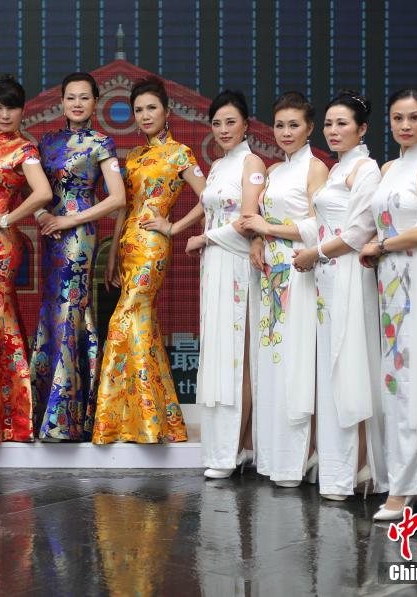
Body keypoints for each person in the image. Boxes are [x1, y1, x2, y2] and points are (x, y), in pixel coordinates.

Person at [93, 76, 206, 444]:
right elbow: (124, 208)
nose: (144, 115)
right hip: (128, 246)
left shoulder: (180, 153)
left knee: (123, 320)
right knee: (144, 326)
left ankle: (135, 422)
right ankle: (157, 420)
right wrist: (112, 254)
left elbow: (209, 198)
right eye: (138, 110)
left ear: (167, 111)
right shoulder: (134, 157)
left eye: (151, 108)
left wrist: (173, 227)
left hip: (153, 247)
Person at [291, 90, 387, 500]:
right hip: (326, 277)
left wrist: (315, 252)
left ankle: (357, 467)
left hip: (350, 273)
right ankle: (336, 470)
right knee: (330, 370)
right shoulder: (334, 171)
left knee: (351, 365)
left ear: (362, 129)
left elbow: (359, 232)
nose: (333, 130)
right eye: (329, 124)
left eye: (342, 123)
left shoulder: (367, 169)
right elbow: (321, 223)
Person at [358, 89, 417, 521]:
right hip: (389, 282)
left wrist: (381, 246)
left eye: (414, 117)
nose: (405, 125)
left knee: (411, 381)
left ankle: (404, 487)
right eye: (398, 118)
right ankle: (413, 477)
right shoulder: (389, 168)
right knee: (395, 380)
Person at [238, 92, 328, 487]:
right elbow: (259, 218)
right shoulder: (274, 170)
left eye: (294, 125)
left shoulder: (316, 169)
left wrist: (267, 229)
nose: (286, 132)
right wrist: (258, 240)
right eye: (279, 125)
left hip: (299, 270)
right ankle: (275, 458)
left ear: (309, 128)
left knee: (296, 361)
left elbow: (318, 226)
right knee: (272, 361)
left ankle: (301, 457)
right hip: (270, 273)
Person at [30, 72, 125, 441]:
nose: (77, 104)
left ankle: (68, 418)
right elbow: (35, 190)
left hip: (79, 237)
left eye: (84, 97)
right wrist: (43, 216)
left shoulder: (102, 143)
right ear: (61, 102)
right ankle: (46, 412)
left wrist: (69, 219)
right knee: (52, 311)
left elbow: (117, 198)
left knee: (72, 310)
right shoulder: (47, 142)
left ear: (95, 102)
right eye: (71, 97)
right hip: (51, 235)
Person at [0, 75, 53, 445]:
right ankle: (8, 414)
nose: (5, 115)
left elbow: (43, 192)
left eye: (12, 108)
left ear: (22, 111)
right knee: (0, 320)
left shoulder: (25, 150)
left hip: (1, 244)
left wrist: (6, 219)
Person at [184, 89, 265, 477]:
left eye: (231, 122)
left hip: (236, 264)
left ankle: (235, 449)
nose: (223, 129)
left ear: (246, 124)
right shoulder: (217, 166)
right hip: (214, 265)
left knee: (238, 355)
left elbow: (247, 220)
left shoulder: (253, 163)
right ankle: (230, 448)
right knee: (218, 355)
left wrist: (204, 238)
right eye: (216, 123)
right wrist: (177, 227)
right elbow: (208, 207)